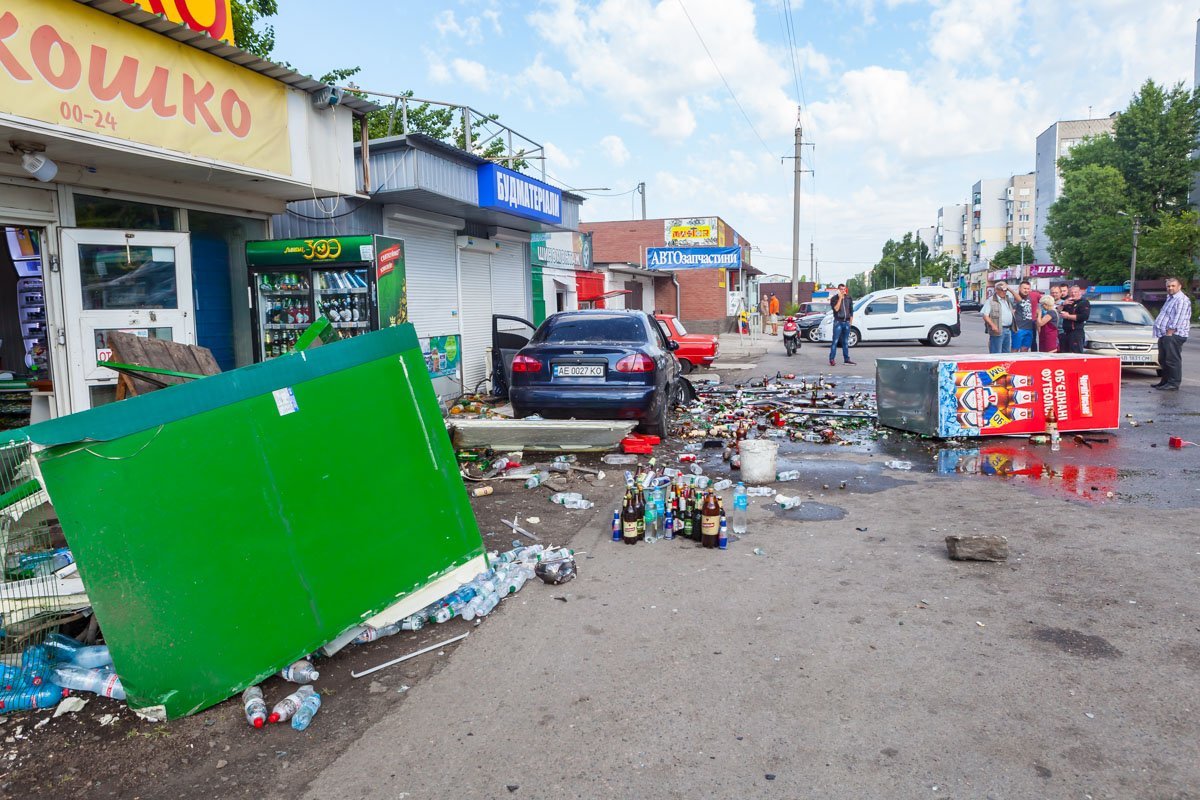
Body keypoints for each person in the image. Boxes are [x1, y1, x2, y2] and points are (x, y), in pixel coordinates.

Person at [1152, 277, 1191, 391]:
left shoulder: (1181, 300)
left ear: (1179, 287)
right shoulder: (1170, 298)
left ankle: (1173, 383)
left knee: (1172, 360)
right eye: (1168, 286)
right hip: (1164, 334)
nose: (1170, 288)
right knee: (1163, 359)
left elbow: (1179, 318)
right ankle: (1165, 382)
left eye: (1173, 286)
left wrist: (1170, 332)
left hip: (1173, 335)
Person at [980, 282, 1015, 354]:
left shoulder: (1007, 300)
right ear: (996, 290)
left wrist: (1009, 289)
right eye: (1002, 290)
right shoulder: (991, 300)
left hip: (1008, 329)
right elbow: (985, 315)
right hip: (998, 329)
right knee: (996, 352)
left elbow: (1019, 300)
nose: (1004, 292)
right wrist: (993, 325)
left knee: (1006, 352)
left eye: (1005, 290)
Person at [828, 283, 855, 366]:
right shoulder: (834, 299)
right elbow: (836, 309)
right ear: (838, 290)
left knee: (845, 342)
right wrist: (840, 298)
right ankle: (832, 359)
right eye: (841, 289)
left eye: (844, 289)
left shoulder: (848, 298)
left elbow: (851, 310)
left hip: (846, 322)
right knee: (835, 341)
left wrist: (850, 322)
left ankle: (846, 359)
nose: (843, 291)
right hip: (838, 322)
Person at [1060, 284, 1090, 354]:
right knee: (1064, 354)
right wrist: (1063, 304)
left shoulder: (1084, 302)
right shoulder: (1068, 302)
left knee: (1075, 354)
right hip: (1065, 332)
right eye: (1071, 292)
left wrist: (1068, 316)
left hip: (1076, 333)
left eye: (1075, 292)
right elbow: (1058, 311)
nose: (1073, 294)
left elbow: (1084, 317)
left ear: (1080, 292)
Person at [1012, 280, 1037, 352]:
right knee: (1015, 349)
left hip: (1029, 328)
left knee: (1025, 349)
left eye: (1028, 289)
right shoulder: (1016, 299)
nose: (1026, 290)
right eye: (1024, 288)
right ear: (1019, 288)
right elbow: (1013, 311)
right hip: (1019, 329)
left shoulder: (1030, 298)